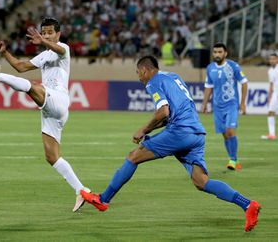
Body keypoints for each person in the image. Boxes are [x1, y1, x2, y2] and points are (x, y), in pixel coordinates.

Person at [80, 56, 260, 232]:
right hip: (196, 133)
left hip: (180, 132)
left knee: (133, 157)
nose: (139, 78)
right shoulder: (174, 77)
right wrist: (151, 129)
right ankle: (248, 205)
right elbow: (173, 112)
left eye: (138, 73)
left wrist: (143, 129)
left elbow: (163, 112)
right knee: (201, 181)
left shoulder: (153, 82)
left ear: (145, 70)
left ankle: (103, 199)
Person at [0, 17, 89, 212]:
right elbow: (21, 67)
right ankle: (81, 190)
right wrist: (5, 52)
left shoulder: (63, 49)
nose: (46, 35)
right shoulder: (44, 56)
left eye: (50, 32)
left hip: (58, 99)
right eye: (44, 32)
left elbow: (58, 50)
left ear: (58, 34)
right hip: (51, 112)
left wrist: (43, 41)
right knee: (52, 157)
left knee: (33, 88)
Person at [202, 43, 248, 170]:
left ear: (225, 53)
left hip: (231, 104)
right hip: (217, 107)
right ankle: (234, 159)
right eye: (215, 52)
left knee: (229, 130)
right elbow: (208, 87)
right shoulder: (210, 68)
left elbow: (244, 83)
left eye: (220, 52)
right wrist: (204, 104)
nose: (217, 54)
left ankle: (232, 160)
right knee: (224, 133)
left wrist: (243, 102)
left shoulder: (233, 66)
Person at [261, 53, 278, 140]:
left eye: (274, 59)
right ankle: (272, 134)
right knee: (270, 112)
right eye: (270, 59)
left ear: (277, 59)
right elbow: (271, 84)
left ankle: (272, 134)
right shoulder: (270, 71)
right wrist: (270, 96)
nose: (272, 60)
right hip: (275, 94)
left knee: (271, 112)